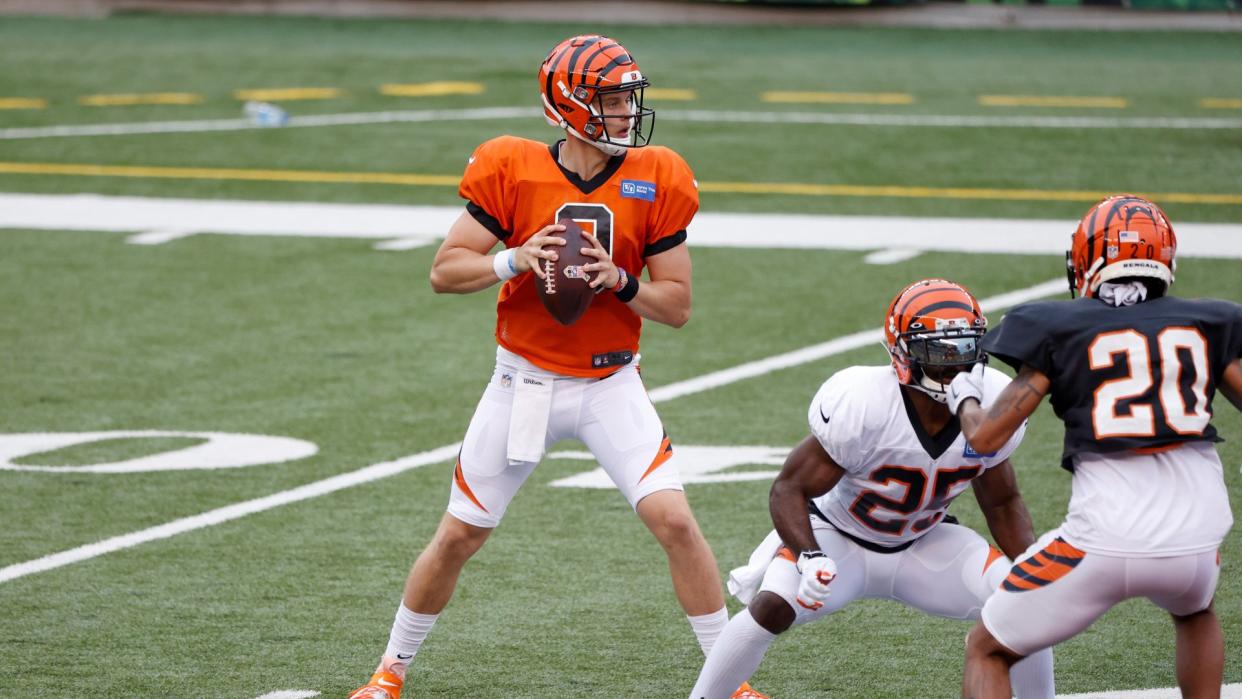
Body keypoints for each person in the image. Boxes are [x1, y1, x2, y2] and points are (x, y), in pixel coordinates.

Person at [349, 35, 765, 699]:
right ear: (567, 104)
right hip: (525, 383)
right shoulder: (511, 167)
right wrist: (513, 258)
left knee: (678, 523)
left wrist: (621, 282)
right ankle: (388, 671)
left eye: (631, 95)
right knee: (458, 534)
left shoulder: (655, 173)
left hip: (610, 385)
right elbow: (444, 271)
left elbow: (678, 305)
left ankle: (729, 682)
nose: (627, 110)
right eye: (611, 97)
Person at [690, 279, 1056, 699]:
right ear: (903, 354)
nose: (954, 366)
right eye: (938, 351)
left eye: (963, 348)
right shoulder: (866, 402)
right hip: (839, 540)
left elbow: (1003, 501)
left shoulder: (992, 398)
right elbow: (788, 489)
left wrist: (1031, 566)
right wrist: (809, 557)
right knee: (773, 604)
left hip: (925, 544)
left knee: (1029, 603)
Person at [952, 194, 1240, 699]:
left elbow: (983, 439)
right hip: (1197, 539)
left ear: (1086, 260)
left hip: (1105, 538)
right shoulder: (1208, 323)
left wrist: (965, 396)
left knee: (988, 648)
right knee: (1195, 610)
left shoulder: (1056, 326)